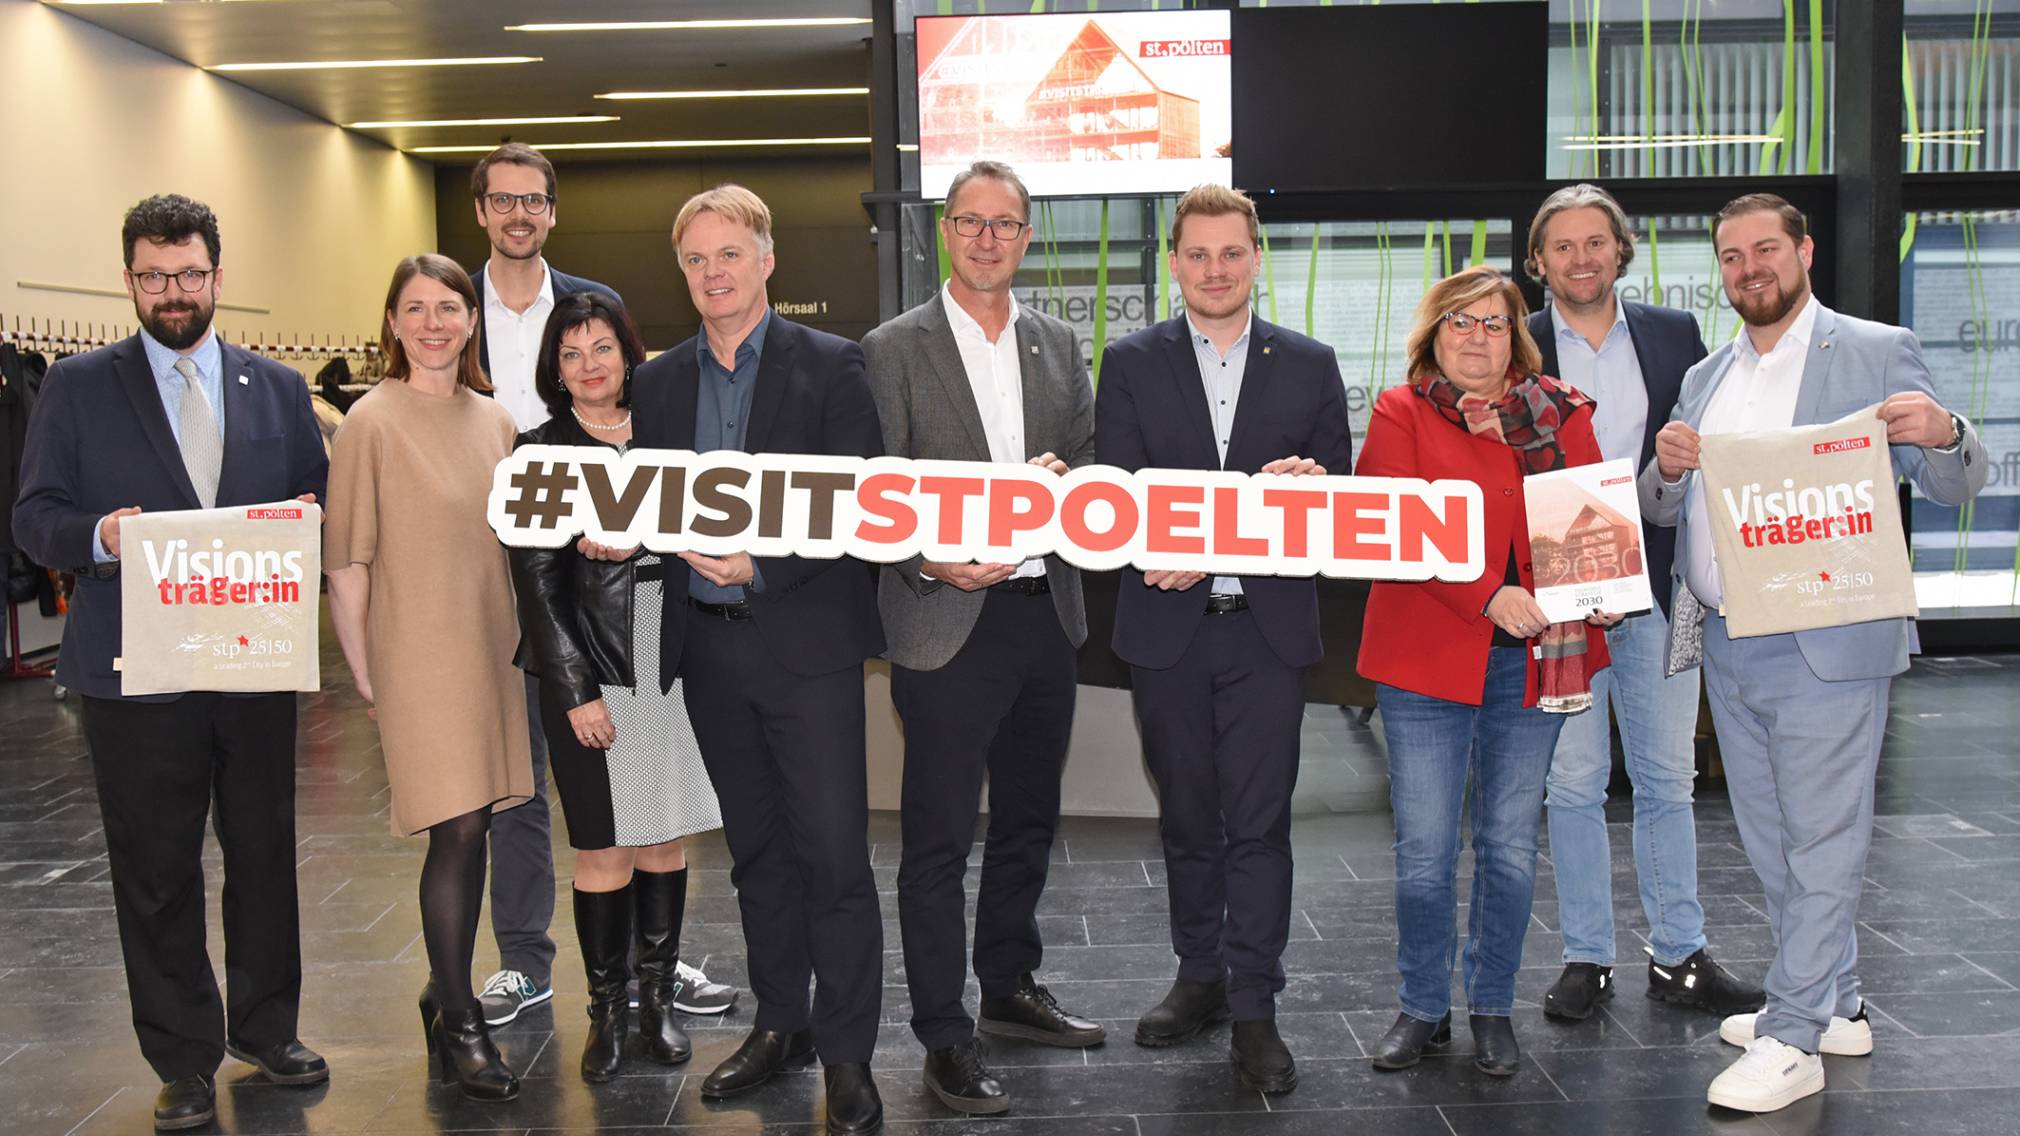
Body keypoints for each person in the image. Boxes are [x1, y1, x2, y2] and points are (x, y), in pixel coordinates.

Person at [1639, 193, 1986, 1114]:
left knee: (1825, 838)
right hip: (1725, 639)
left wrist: (1947, 432)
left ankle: (1793, 1037)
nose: (1748, 268)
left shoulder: (1874, 350)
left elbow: (1955, 482)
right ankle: (1836, 1000)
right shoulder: (1708, 376)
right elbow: (1663, 507)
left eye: (1765, 250)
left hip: (1829, 639)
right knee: (1771, 839)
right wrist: (1667, 470)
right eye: (1730, 255)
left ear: (1804, 252)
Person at [13, 193, 329, 1132]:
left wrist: (306, 527)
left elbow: (312, 494)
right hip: (133, 670)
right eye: (153, 276)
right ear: (129, 281)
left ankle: (269, 1029)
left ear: (218, 276)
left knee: (265, 852)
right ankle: (182, 1056)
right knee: (153, 868)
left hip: (252, 663)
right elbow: (33, 517)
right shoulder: (76, 385)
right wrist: (102, 535)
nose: (173, 292)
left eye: (189, 274)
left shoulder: (275, 387)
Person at [627, 184, 887, 1136]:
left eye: (728, 254)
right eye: (694, 260)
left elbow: (860, 503)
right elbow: (654, 507)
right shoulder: (656, 384)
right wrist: (623, 533)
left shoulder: (833, 366)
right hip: (710, 654)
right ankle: (783, 1025)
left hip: (806, 646)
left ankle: (851, 1055)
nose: (711, 274)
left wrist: (763, 561)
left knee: (833, 857)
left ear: (767, 259)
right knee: (758, 857)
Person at [1093, 183, 1352, 1096]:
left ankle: (1256, 1007)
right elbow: (1113, 493)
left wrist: (1311, 481)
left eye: (1231, 253)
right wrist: (1163, 543)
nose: (1214, 269)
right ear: (1175, 264)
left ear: (1254, 258)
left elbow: (1339, 496)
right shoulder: (1128, 362)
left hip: (1267, 632)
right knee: (1189, 819)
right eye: (1197, 254)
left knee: (1261, 825)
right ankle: (1198, 975)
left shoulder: (1311, 364)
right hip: (1166, 631)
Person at [861, 161, 1103, 1117]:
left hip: (1045, 612)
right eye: (971, 222)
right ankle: (944, 1034)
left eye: (1006, 224)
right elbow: (873, 488)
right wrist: (930, 560)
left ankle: (1006, 987)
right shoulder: (890, 348)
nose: (988, 239)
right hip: (945, 618)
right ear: (944, 233)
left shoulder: (1057, 341)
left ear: (1027, 235)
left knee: (1029, 824)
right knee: (935, 843)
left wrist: (1065, 478)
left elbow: (1087, 461)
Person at [1356, 265, 1617, 1078]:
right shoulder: (1400, 411)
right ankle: (1423, 1007)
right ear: (1434, 334)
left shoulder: (1563, 413)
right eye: (1460, 323)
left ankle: (1492, 1007)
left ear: (1517, 334)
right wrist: (1486, 594)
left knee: (1507, 848)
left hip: (1536, 664)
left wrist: (1600, 588)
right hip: (1425, 661)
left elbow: (1590, 522)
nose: (1477, 337)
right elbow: (1390, 525)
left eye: (1493, 323)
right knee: (1426, 853)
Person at [1524, 184, 1764, 1022]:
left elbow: (1694, 450)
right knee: (1576, 780)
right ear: (1540, 261)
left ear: (1619, 251)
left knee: (1668, 777)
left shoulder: (1675, 336)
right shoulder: (1514, 342)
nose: (1581, 258)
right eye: (1564, 246)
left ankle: (1678, 955)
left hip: (1660, 587)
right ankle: (1586, 957)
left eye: (1597, 242)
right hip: (1561, 596)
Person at [508, 291, 737, 1082]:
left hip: (669, 654)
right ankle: (606, 1012)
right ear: (554, 371)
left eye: (601, 348)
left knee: (662, 840)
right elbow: (536, 588)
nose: (588, 366)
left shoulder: (673, 440)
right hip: (592, 664)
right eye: (570, 355)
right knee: (603, 847)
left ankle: (657, 1004)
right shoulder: (538, 453)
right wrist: (575, 692)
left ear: (628, 352)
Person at [323, 254, 534, 1102]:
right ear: (394, 323)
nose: (435, 323)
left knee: (476, 824)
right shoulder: (369, 421)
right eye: (417, 309)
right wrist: (370, 677)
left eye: (449, 307)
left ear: (471, 320)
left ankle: (443, 992)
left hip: (492, 649)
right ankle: (461, 1020)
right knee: (455, 830)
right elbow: (347, 563)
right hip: (418, 654)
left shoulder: (498, 422)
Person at [466, 142, 625, 1027]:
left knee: (624, 762)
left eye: (534, 200)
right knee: (515, 771)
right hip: (481, 564)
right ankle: (526, 959)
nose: (519, 214)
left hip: (594, 575)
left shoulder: (587, 309)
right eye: (503, 201)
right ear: (481, 211)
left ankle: (647, 953)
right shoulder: (453, 309)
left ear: (553, 211)